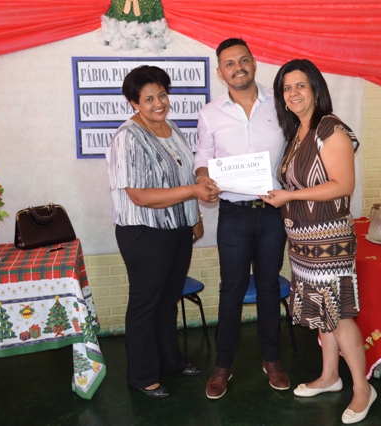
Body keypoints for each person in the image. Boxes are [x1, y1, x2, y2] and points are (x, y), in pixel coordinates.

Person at [263, 59, 376, 424]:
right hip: (302, 241)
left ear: (315, 89)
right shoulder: (298, 131)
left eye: (300, 85)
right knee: (321, 310)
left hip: (329, 238)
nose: (293, 93)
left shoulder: (330, 128)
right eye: (286, 88)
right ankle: (329, 376)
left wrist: (290, 197)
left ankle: (363, 388)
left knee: (337, 314)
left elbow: (343, 185)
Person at [106, 65, 220, 398]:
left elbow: (186, 176)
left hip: (177, 229)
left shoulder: (172, 128)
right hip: (144, 232)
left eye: (162, 95)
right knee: (146, 304)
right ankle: (142, 376)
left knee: (168, 300)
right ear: (133, 103)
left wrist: (194, 215)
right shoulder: (127, 137)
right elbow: (139, 196)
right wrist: (193, 192)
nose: (159, 103)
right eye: (149, 99)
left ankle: (170, 360)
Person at [194, 38, 289, 399]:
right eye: (230, 63)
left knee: (268, 287)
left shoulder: (280, 103)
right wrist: (203, 178)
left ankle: (272, 360)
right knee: (231, 289)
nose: (238, 67)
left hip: (272, 212)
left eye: (243, 60)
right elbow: (203, 156)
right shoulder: (210, 113)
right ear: (221, 72)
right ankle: (223, 366)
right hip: (233, 214)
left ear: (254, 63)